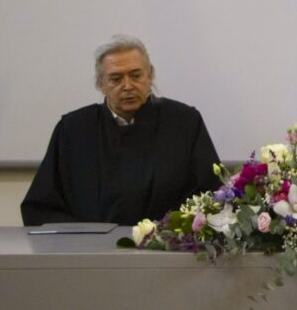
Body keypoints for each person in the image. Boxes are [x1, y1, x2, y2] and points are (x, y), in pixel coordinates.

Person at [21, 35, 220, 226]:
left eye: (136, 76)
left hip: (167, 244)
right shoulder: (74, 130)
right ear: (100, 83)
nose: (127, 86)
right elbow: (43, 206)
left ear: (150, 74)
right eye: (116, 79)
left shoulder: (184, 123)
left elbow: (210, 195)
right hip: (92, 247)